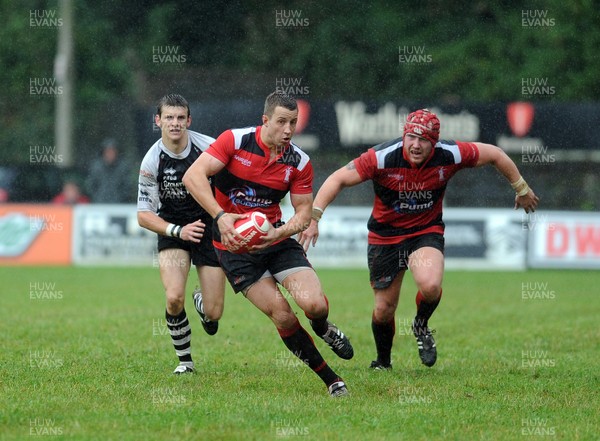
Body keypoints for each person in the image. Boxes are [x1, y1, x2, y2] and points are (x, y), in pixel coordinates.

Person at [299, 108, 539, 370]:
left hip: (425, 231)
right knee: (383, 310)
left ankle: (421, 326)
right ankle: (383, 362)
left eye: (423, 139)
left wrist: (521, 188)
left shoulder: (450, 154)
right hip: (385, 236)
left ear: (434, 142)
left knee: (431, 286)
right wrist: (314, 217)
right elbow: (338, 178)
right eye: (411, 137)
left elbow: (495, 154)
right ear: (403, 137)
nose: (415, 145)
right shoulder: (382, 157)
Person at [182, 91, 353, 397]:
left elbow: (303, 213)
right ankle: (330, 378)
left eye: (294, 123)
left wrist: (279, 233)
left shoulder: (299, 161)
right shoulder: (235, 141)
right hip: (235, 248)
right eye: (282, 122)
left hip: (276, 241)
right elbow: (193, 176)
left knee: (315, 304)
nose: (288, 130)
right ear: (265, 121)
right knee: (283, 315)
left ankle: (323, 327)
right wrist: (220, 217)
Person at [137, 94, 226, 374]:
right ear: (158, 121)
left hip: (208, 226)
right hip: (174, 229)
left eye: (180, 118)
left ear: (189, 120)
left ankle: (202, 302)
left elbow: (231, 184)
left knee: (214, 315)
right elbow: (143, 215)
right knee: (174, 296)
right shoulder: (152, 160)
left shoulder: (210, 147)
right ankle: (185, 362)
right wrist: (177, 231)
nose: (174, 123)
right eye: (168, 118)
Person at [87, 138, 134, 203]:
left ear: (117, 153)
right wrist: (97, 198)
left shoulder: (123, 167)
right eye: (107, 152)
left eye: (112, 152)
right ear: (103, 153)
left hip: (119, 204)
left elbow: (127, 187)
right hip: (99, 204)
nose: (110, 154)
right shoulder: (96, 167)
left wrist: (120, 198)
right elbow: (91, 186)